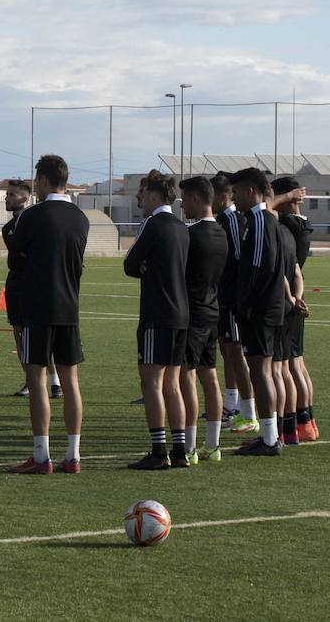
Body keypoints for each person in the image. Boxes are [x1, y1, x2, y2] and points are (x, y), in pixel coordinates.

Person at [7, 154, 87, 474]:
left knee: (37, 379)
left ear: (41, 180)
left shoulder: (32, 216)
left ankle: (41, 456)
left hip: (37, 308)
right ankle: (74, 455)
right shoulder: (81, 218)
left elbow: (16, 261)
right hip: (70, 308)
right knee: (70, 381)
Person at [124, 171, 191, 470]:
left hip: (157, 312)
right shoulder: (182, 226)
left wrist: (143, 268)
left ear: (154, 195)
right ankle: (180, 451)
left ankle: (158, 450)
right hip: (181, 313)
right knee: (173, 385)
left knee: (151, 382)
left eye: (143, 194)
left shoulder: (152, 224)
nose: (140, 199)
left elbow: (129, 264)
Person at [229, 167, 286, 456]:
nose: (234, 198)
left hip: (261, 310)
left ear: (251, 191)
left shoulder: (259, 220)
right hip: (262, 308)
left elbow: (258, 267)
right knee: (261, 371)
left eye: (236, 192)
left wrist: (245, 305)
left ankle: (270, 439)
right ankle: (269, 434)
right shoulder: (256, 220)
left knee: (261, 372)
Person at [179, 176, 229, 463]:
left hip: (192, 312)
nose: (183, 204)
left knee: (186, 376)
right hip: (213, 310)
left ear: (196, 199)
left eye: (184, 199)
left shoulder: (190, 234)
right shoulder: (221, 233)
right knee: (210, 376)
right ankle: (213, 444)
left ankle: (189, 445)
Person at [2, 181, 62, 399]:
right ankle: (30, 380)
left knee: (43, 336)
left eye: (11, 194)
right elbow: (16, 259)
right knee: (19, 334)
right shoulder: (7, 229)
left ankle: (55, 382)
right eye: (6, 194)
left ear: (24, 199)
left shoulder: (37, 221)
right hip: (16, 287)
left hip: (37, 288)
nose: (6, 198)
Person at [271, 176, 318, 442]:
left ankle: (290, 425)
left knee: (285, 368)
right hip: (295, 299)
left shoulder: (285, 227)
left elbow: (266, 209)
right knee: (297, 364)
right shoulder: (302, 225)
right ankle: (306, 420)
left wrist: (285, 198)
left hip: (284, 300)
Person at [213, 173, 258, 435]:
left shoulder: (232, 220)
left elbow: (239, 261)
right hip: (223, 297)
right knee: (228, 351)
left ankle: (248, 411)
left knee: (236, 352)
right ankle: (233, 405)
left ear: (223, 196)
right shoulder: (224, 219)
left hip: (232, 298)